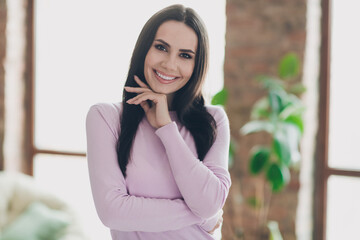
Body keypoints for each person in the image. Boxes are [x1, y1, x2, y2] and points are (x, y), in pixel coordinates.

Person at [86, 4, 231, 240]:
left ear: (197, 65)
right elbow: (112, 213)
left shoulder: (213, 120)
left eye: (185, 55)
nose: (169, 64)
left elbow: (209, 204)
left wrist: (166, 128)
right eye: (161, 48)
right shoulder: (105, 118)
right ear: (145, 48)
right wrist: (202, 214)